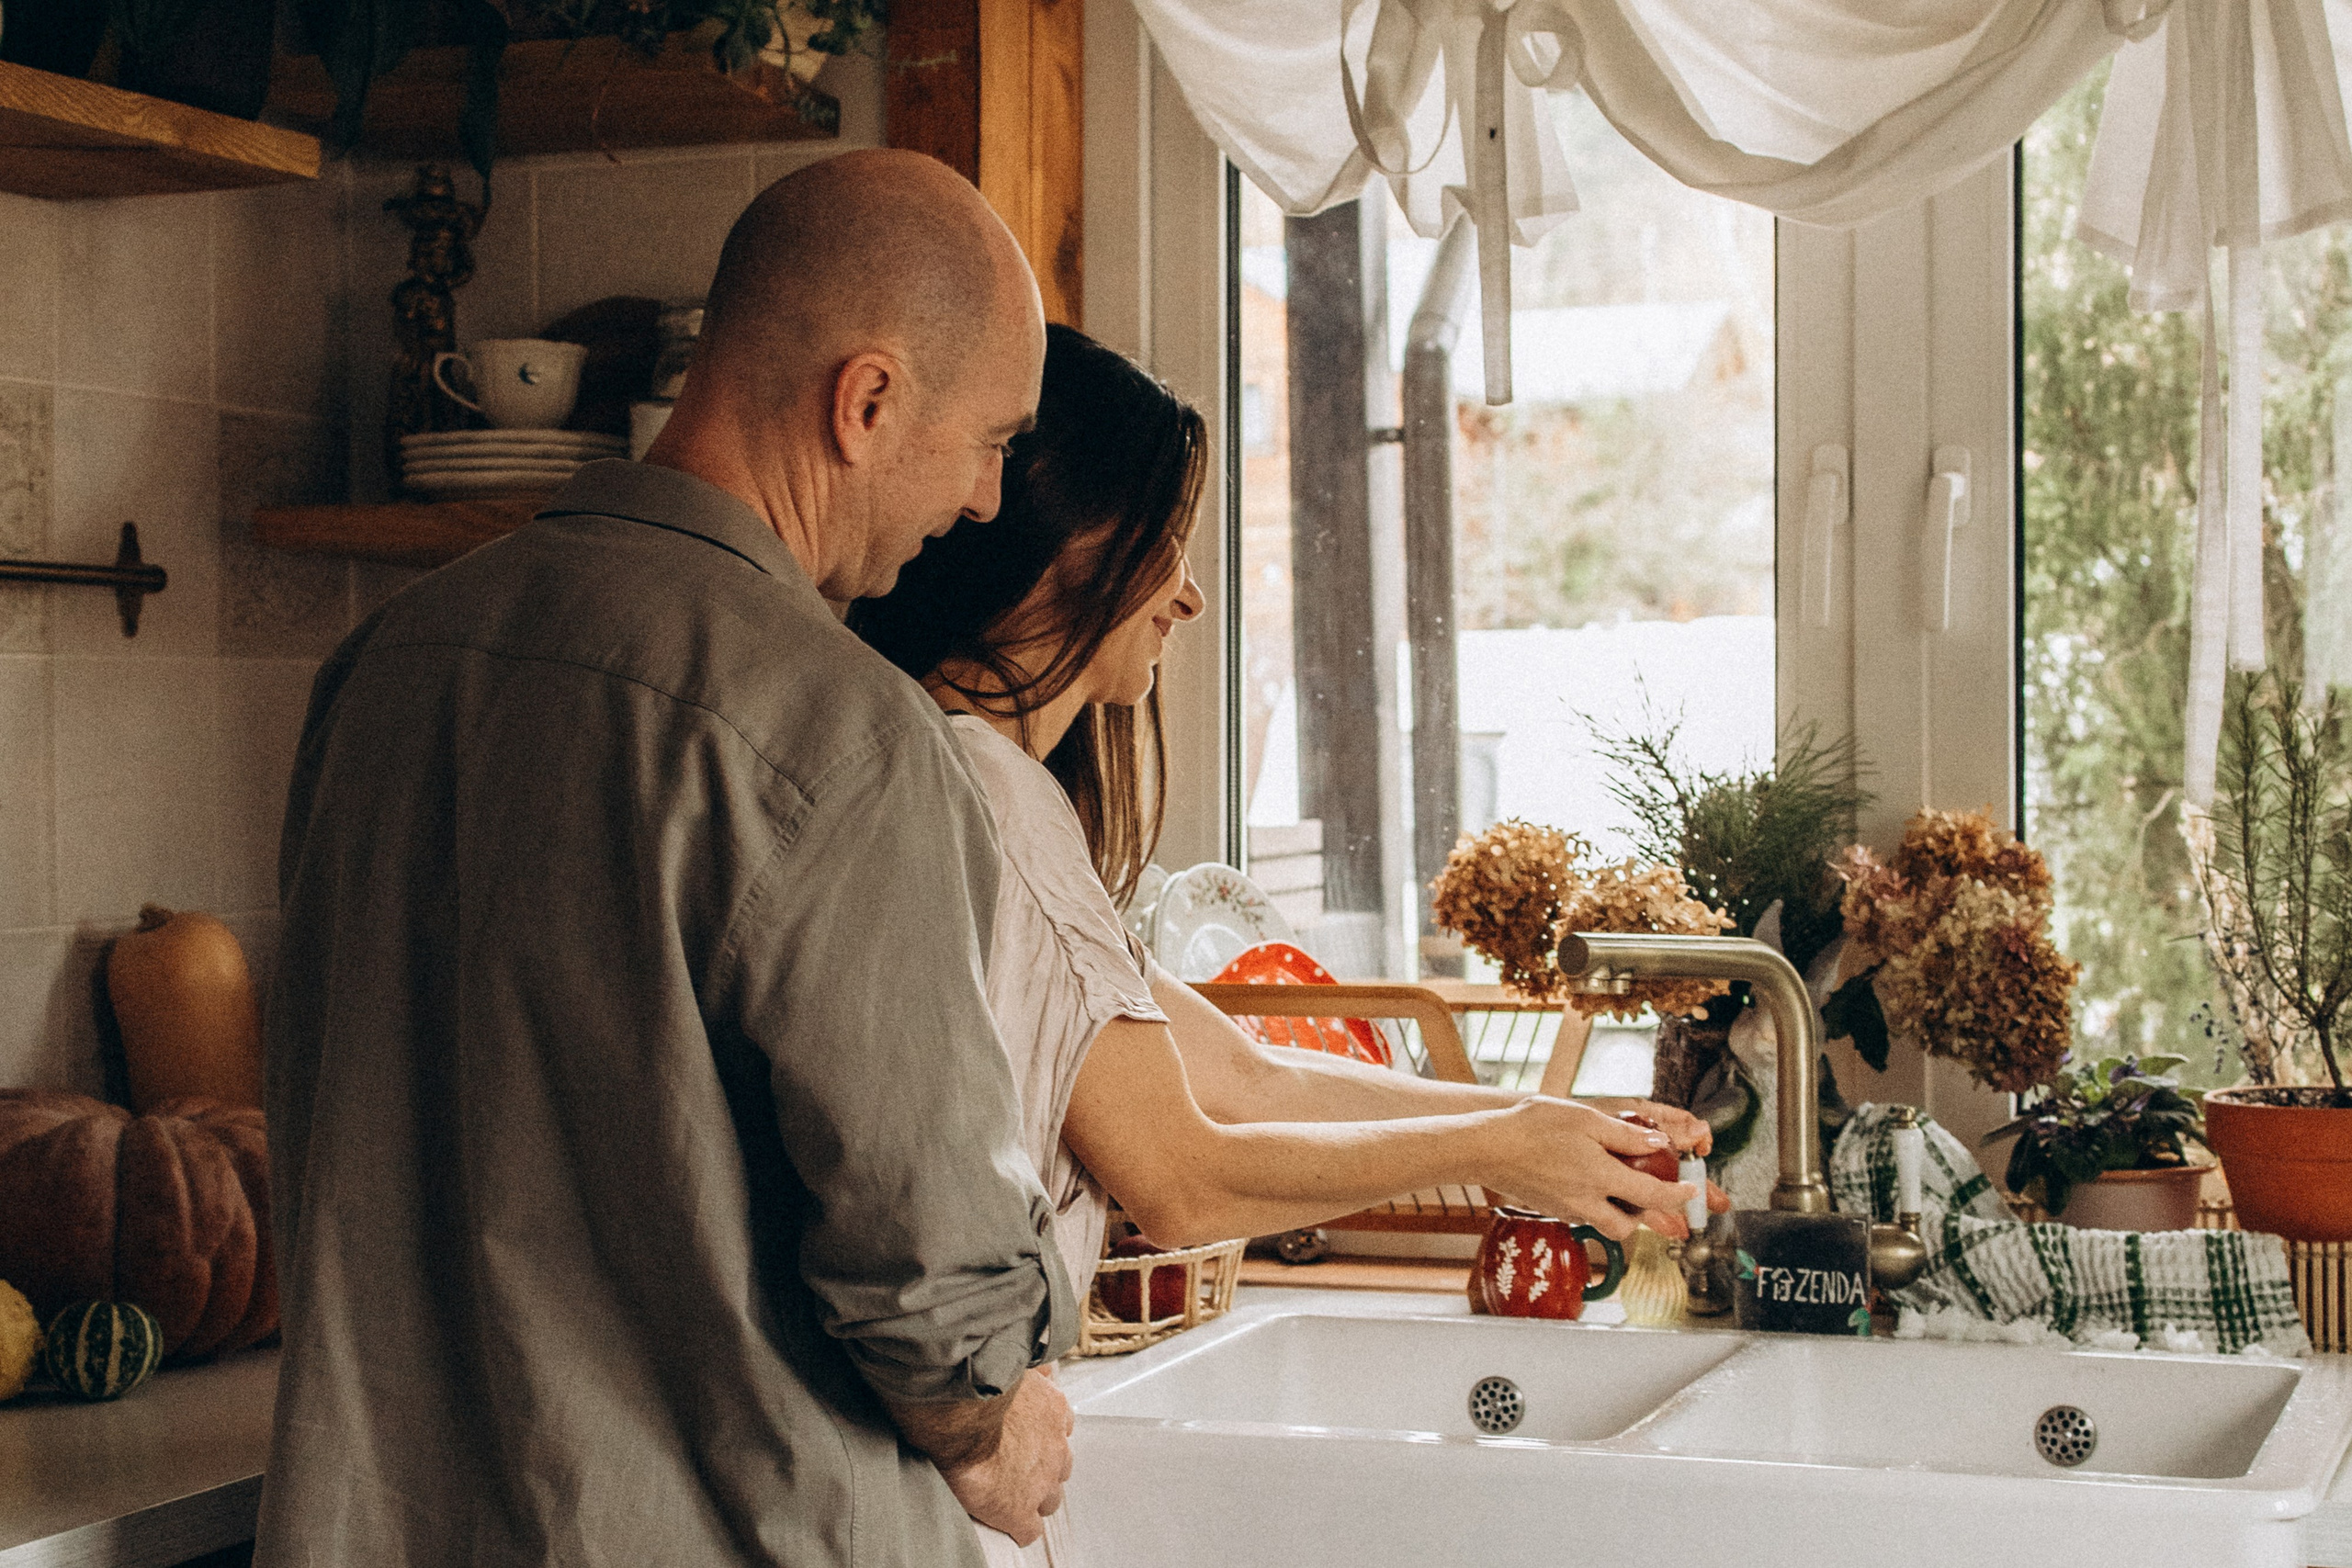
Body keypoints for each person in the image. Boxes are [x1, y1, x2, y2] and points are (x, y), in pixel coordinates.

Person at [260, 152, 1084, 1568]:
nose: (991, 498)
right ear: (867, 401)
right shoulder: (842, 731)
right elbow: (930, 1289)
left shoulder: (386, 661)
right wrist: (994, 1426)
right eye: (992, 440)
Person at [853, 326, 1720, 1565]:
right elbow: (1181, 1172)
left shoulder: (952, 774)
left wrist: (1538, 1136)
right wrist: (1502, 1147)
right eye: (1166, 544)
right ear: (1070, 547)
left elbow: (1244, 1078)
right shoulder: (996, 804)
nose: (1190, 594)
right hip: (952, 1470)